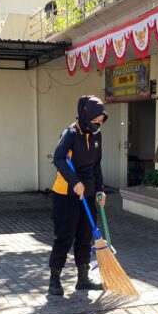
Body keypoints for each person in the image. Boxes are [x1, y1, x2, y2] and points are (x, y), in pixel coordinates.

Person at [48, 95, 108, 296]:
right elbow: (58, 158)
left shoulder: (97, 136)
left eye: (101, 120)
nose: (98, 124)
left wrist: (100, 189)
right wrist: (75, 183)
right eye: (95, 120)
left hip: (89, 194)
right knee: (65, 236)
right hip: (66, 194)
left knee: (84, 236)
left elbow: (96, 165)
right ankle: (54, 279)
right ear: (86, 116)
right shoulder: (70, 134)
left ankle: (83, 279)